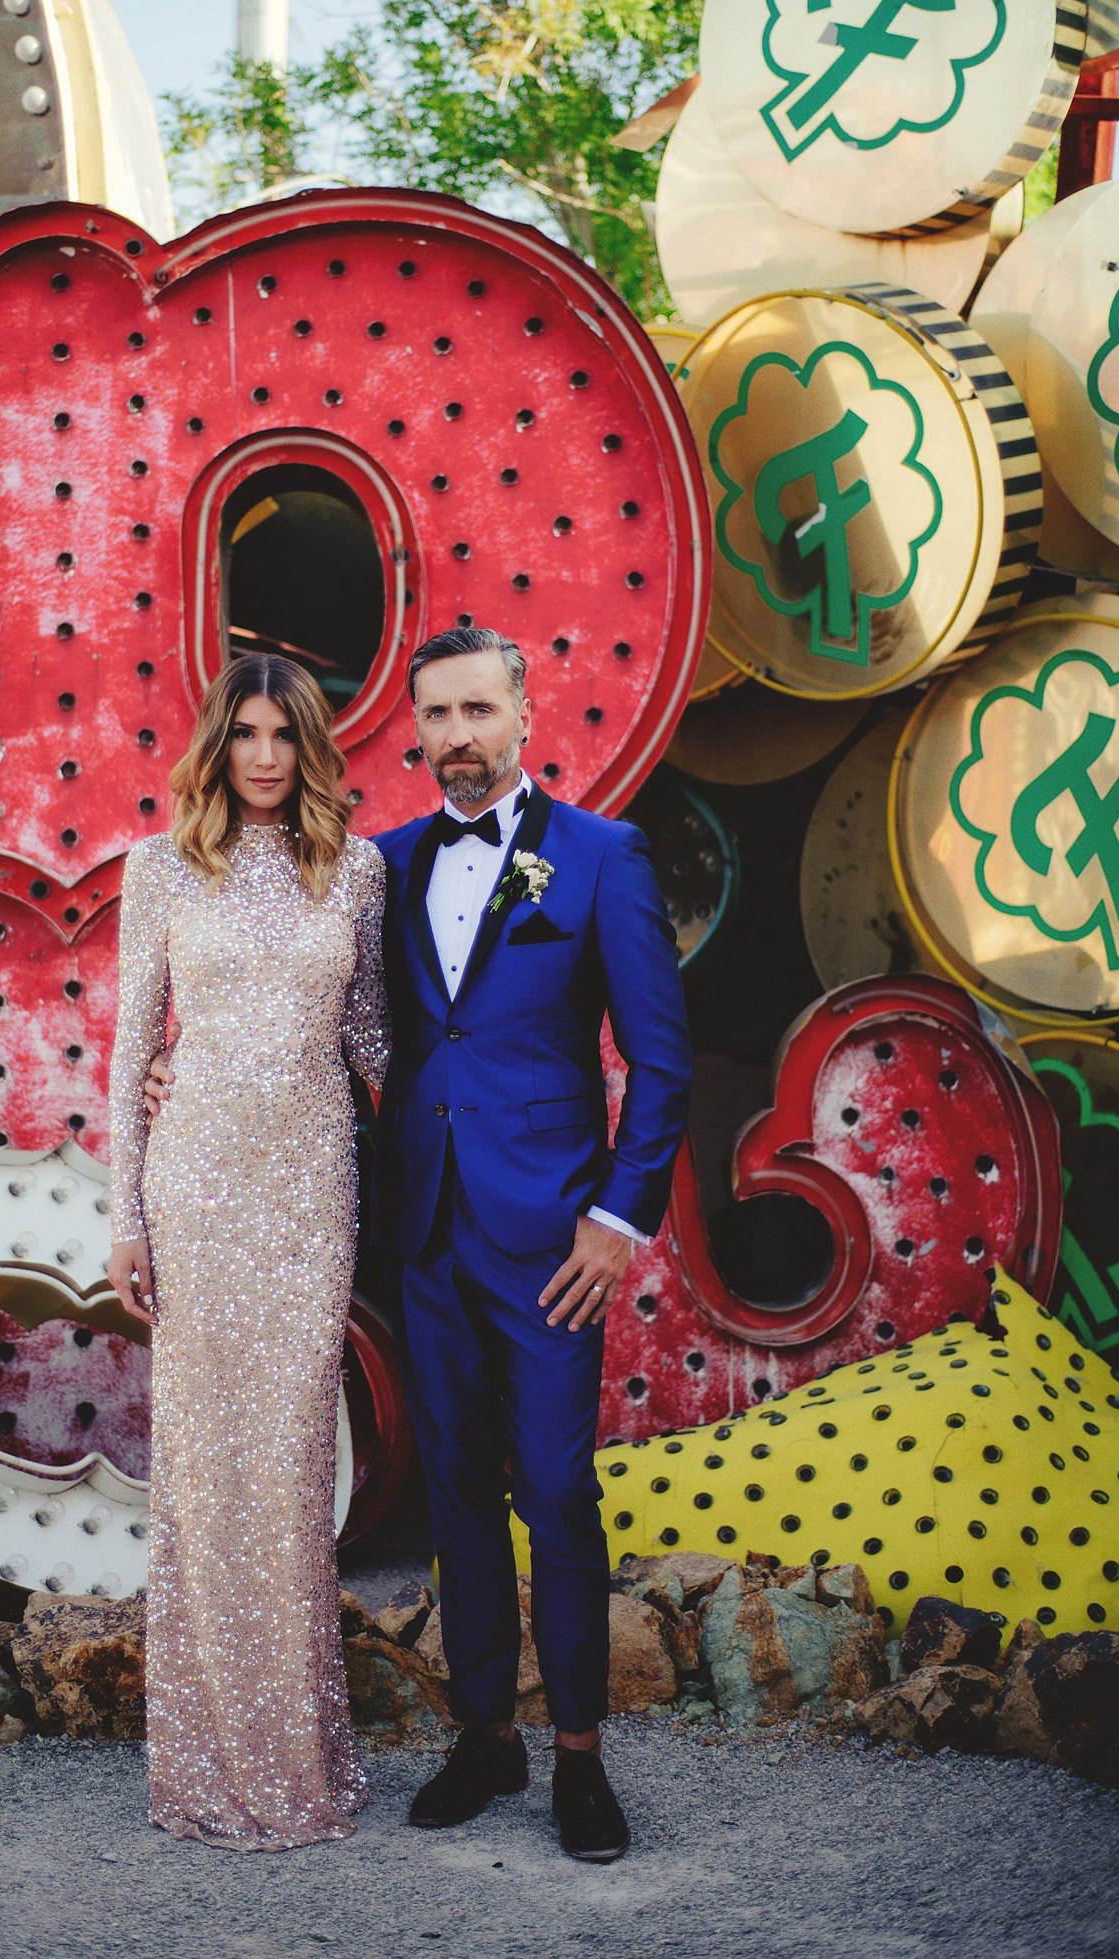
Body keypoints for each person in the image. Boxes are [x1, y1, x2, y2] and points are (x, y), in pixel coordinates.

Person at [372, 626, 692, 1863]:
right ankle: (484, 1736)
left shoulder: (603, 857)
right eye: (436, 716)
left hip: (553, 1237)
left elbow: (660, 1061)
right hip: (427, 1231)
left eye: (477, 712)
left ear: (523, 714)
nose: (456, 737)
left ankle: (578, 1759)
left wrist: (618, 1219)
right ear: (416, 727)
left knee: (556, 1491)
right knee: (451, 1490)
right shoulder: (388, 865)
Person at [105, 651, 389, 1851]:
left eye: (286, 735)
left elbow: (375, 1035)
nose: (266, 757)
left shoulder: (357, 868)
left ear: (311, 747)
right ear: (217, 745)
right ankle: (208, 1763)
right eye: (247, 734)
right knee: (206, 1469)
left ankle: (301, 1756)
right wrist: (125, 1212)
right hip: (200, 1190)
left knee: (288, 1468)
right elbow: (131, 1052)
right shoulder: (161, 868)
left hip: (309, 1190)